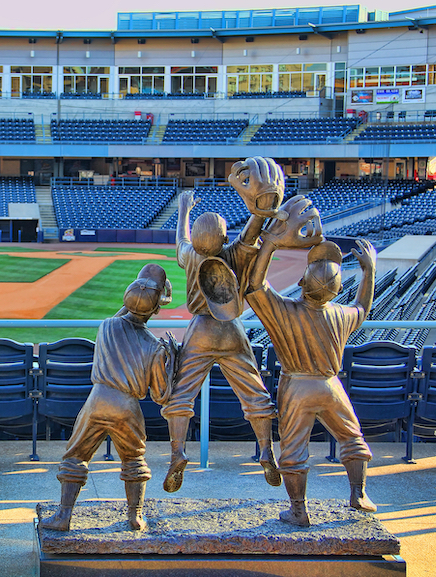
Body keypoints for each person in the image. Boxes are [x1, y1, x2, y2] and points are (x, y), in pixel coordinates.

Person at [245, 198, 377, 527]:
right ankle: (358, 493)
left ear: (302, 283)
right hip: (331, 386)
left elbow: (254, 286)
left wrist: (270, 245)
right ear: (336, 290)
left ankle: (298, 510)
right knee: (352, 438)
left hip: (297, 386)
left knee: (293, 449)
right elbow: (363, 307)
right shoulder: (342, 315)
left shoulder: (285, 312)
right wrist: (369, 270)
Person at [161, 157, 285, 494]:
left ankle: (178, 453)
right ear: (222, 236)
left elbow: (179, 242)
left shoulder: (190, 256)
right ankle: (265, 450)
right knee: (256, 396)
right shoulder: (233, 253)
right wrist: (261, 208)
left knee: (181, 396)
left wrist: (184, 209)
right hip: (231, 330)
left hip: (199, 330)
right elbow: (251, 233)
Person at [40, 264, 176, 532]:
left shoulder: (107, 327)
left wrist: (143, 293)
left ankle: (64, 515)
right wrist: (171, 360)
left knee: (76, 455)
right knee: (134, 460)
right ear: (156, 309)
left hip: (98, 400)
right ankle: (135, 516)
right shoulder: (156, 347)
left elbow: (123, 316)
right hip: (128, 407)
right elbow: (161, 395)